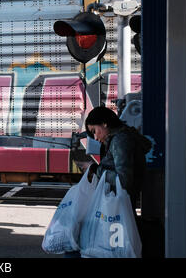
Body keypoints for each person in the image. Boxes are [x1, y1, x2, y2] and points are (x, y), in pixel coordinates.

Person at [67, 106, 152, 258]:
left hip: (116, 209)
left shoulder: (120, 140)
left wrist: (95, 169)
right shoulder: (120, 137)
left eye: (94, 131)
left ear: (105, 123)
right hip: (118, 207)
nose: (95, 137)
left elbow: (124, 178)